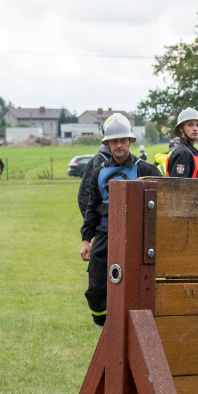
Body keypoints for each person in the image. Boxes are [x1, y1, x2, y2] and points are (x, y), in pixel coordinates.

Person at [78, 114, 160, 327]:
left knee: (135, 286)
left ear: (130, 142)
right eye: (114, 141)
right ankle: (102, 325)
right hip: (105, 237)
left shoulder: (146, 170)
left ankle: (136, 327)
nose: (119, 145)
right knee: (96, 288)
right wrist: (86, 239)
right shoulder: (99, 172)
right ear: (108, 144)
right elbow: (91, 210)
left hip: (135, 238)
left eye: (123, 140)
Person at [166, 108, 198, 179]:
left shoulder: (188, 151)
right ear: (181, 128)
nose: (195, 128)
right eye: (190, 125)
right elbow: (179, 187)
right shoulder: (183, 153)